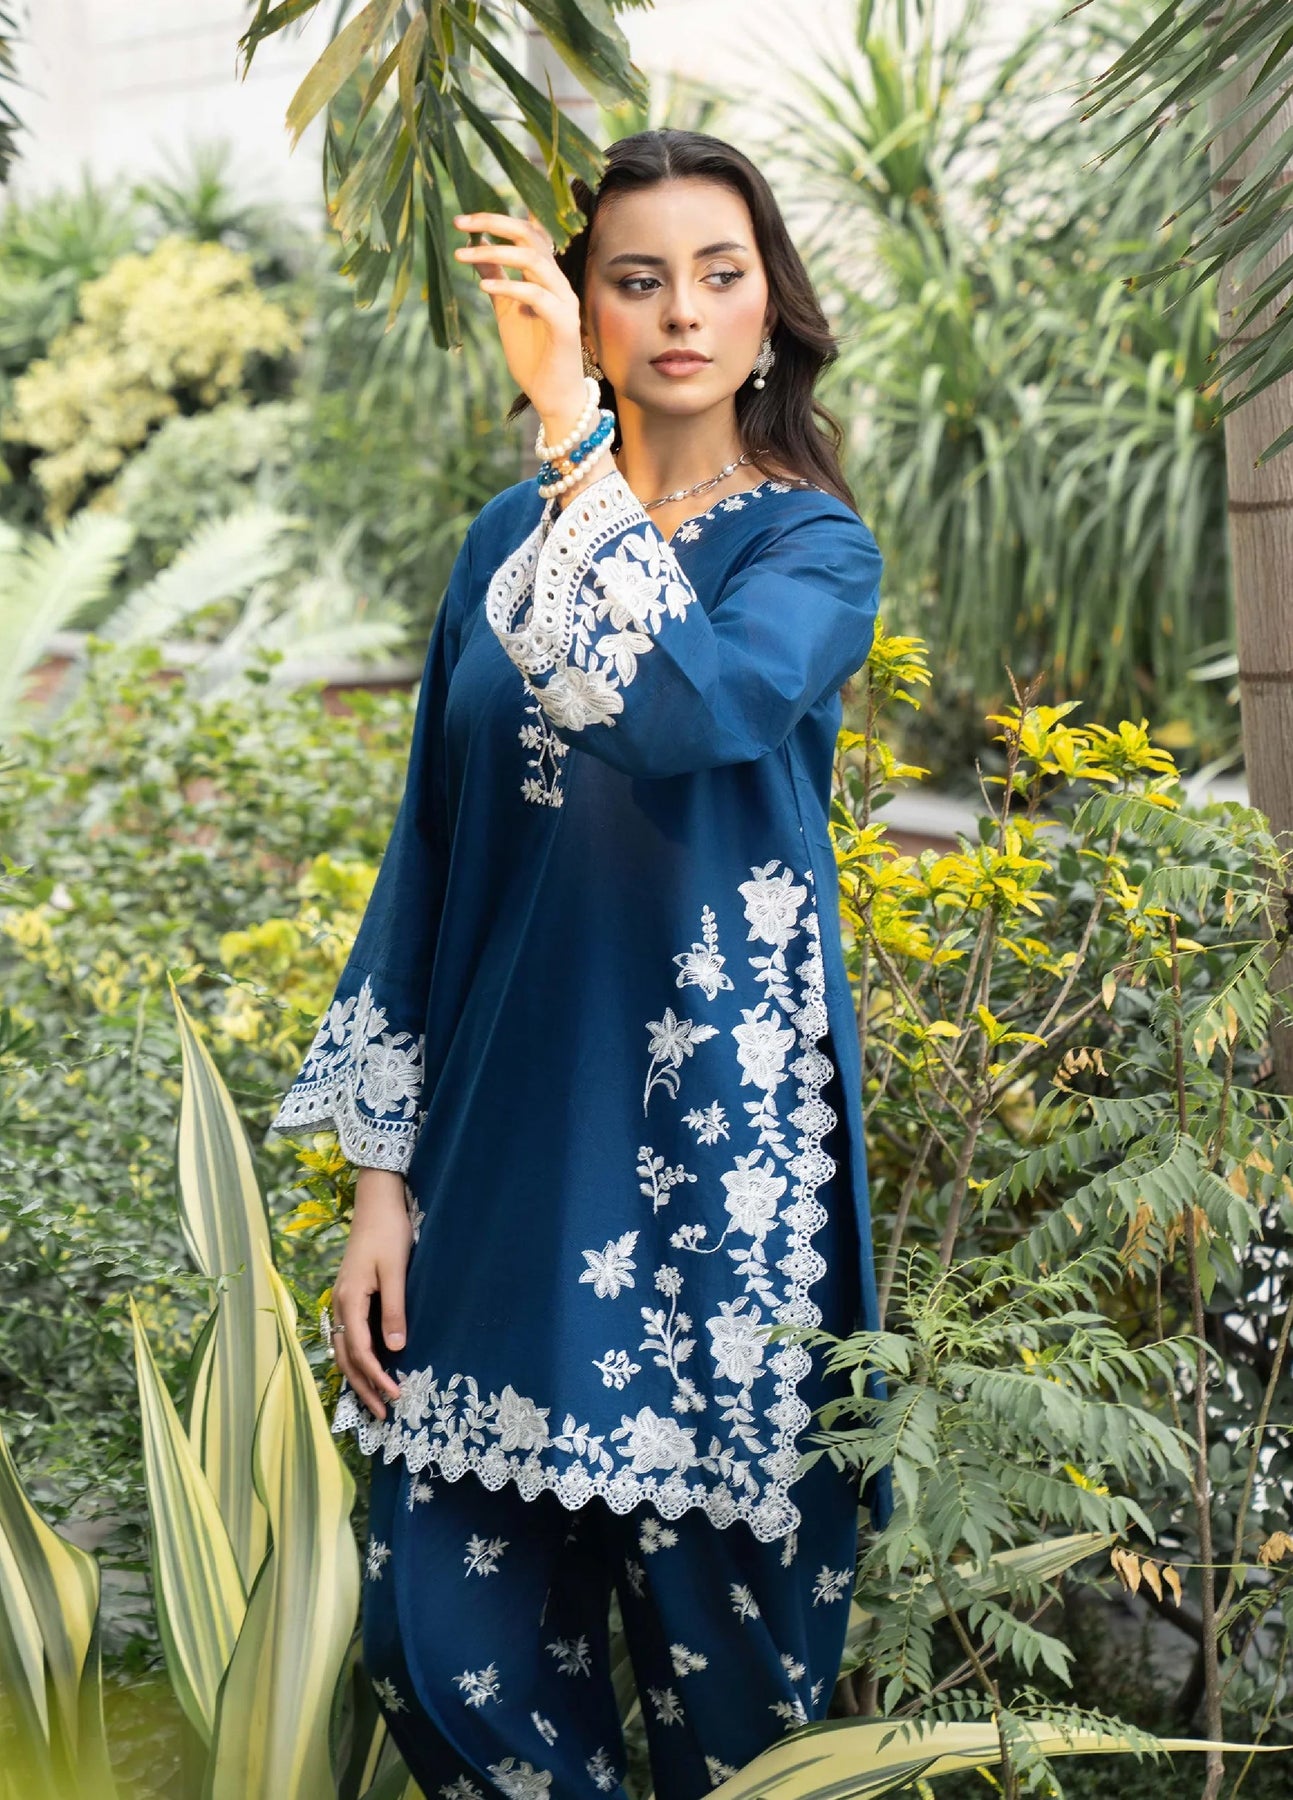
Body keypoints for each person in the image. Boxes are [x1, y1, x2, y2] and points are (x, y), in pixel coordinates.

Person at [270, 128, 892, 1800]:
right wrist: (380, 1180)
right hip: (501, 1164)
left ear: (768, 314)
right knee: (432, 1651)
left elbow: (686, 712)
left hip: (720, 1182)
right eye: (635, 279)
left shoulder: (809, 552)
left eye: (717, 275)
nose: (679, 312)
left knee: (737, 1714)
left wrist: (571, 438)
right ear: (581, 309)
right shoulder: (500, 545)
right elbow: (431, 854)